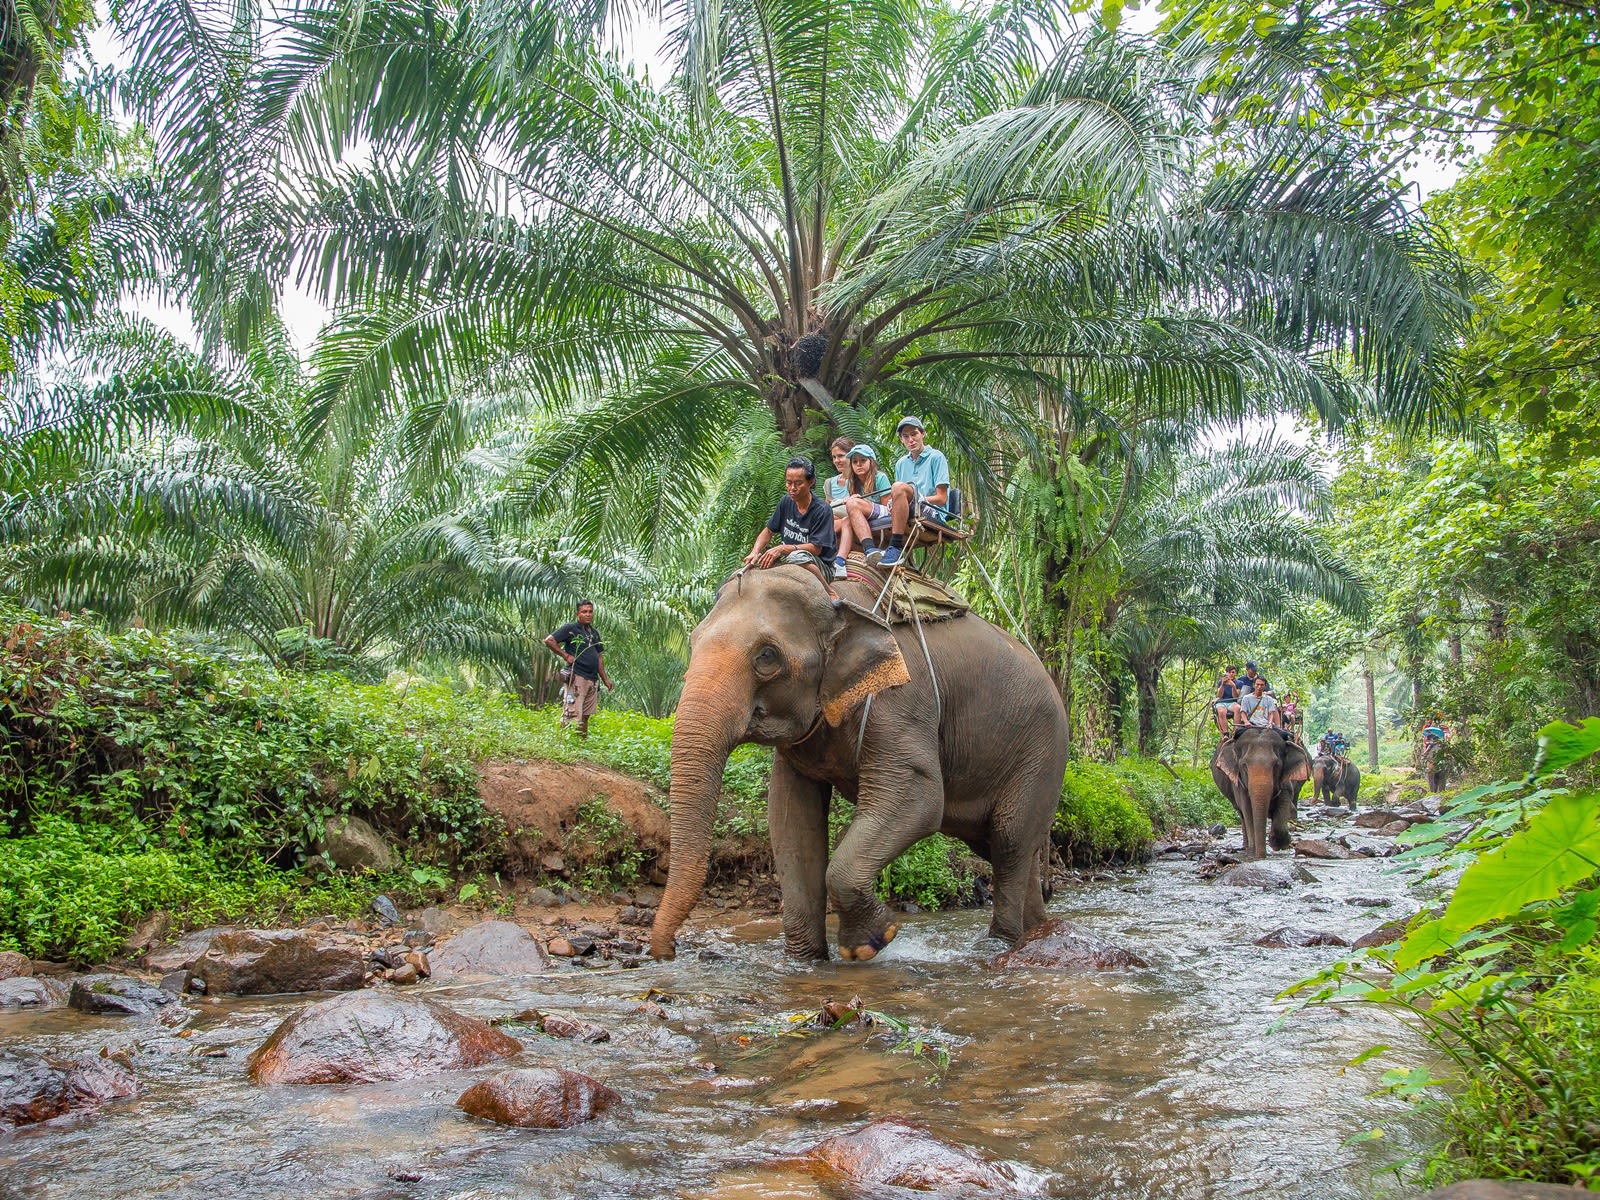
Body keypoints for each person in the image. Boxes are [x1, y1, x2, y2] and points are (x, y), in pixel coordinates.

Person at [745, 456, 843, 605]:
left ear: (811, 482)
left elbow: (816, 549)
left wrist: (783, 548)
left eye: (798, 483)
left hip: (817, 564)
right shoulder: (786, 501)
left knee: (797, 556)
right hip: (789, 557)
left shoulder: (822, 510)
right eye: (788, 483)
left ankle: (829, 591)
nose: (792, 488)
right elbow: (768, 531)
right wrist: (755, 551)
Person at [867, 416, 951, 568]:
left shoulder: (936, 457)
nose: (910, 439)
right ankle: (867, 550)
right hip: (908, 507)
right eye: (906, 436)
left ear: (922, 434)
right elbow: (899, 494)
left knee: (898, 487)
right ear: (901, 439)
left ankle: (896, 546)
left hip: (931, 510)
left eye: (914, 434)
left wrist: (919, 499)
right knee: (857, 503)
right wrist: (895, 502)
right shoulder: (901, 463)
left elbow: (942, 498)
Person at [544, 599, 614, 738]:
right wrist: (565, 656)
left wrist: (605, 679)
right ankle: (564, 742)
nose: (588, 614)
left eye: (590, 612)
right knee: (572, 712)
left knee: (586, 715)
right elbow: (549, 640)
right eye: (584, 612)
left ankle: (581, 742)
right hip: (577, 677)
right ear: (578, 614)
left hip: (592, 679)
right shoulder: (570, 629)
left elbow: (599, 657)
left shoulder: (594, 633)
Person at [833, 443, 893, 571]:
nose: (858, 464)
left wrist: (860, 501)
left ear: (871, 462)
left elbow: (887, 507)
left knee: (853, 503)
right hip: (863, 513)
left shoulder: (880, 478)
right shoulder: (852, 482)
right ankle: (839, 560)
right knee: (843, 519)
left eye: (863, 460)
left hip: (884, 512)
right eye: (855, 462)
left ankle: (869, 548)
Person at [1214, 664, 1244, 734]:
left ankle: (1236, 730)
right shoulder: (1221, 682)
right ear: (1226, 673)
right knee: (1221, 711)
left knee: (1238, 708)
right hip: (1222, 702)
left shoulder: (1239, 683)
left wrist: (1233, 686)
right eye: (1229, 672)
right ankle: (1225, 733)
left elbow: (1235, 696)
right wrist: (1222, 684)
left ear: (1235, 673)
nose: (1231, 674)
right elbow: (1219, 696)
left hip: (1232, 702)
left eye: (1233, 672)